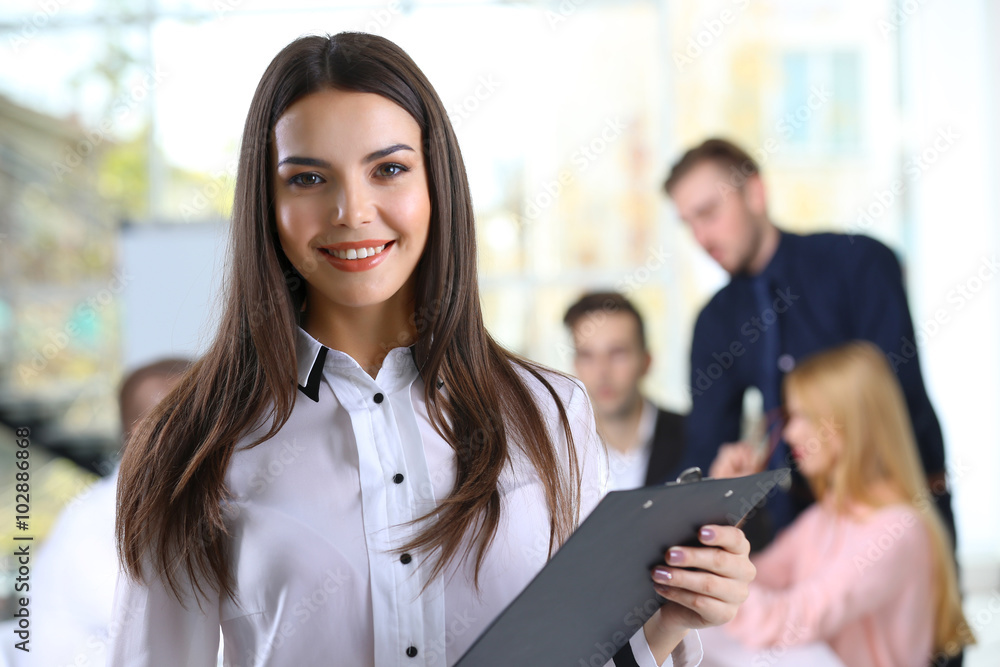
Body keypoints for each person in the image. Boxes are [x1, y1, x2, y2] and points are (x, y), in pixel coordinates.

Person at [110, 33, 756, 667]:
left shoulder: (552, 411)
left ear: (436, 184)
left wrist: (677, 612)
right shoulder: (192, 441)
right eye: (308, 178)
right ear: (267, 203)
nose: (352, 210)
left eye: (388, 169)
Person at [663, 138, 954, 544]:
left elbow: (890, 403)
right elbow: (707, 443)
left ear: (755, 193)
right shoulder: (716, 320)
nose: (701, 236)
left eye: (708, 212)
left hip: (901, 514)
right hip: (799, 534)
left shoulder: (857, 265)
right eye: (687, 223)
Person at [710, 341, 974, 667]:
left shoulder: (895, 530)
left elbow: (791, 620)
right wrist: (730, 503)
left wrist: (709, 576)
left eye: (804, 416)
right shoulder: (829, 515)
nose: (790, 433)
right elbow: (760, 576)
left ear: (851, 423)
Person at [0, 358, 191, 667]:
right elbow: (167, 625)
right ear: (147, 434)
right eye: (202, 418)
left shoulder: (177, 510)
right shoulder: (93, 523)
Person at [563, 292, 689, 489]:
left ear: (646, 361)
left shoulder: (694, 436)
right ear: (575, 365)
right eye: (587, 355)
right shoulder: (558, 450)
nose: (602, 372)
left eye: (617, 353)